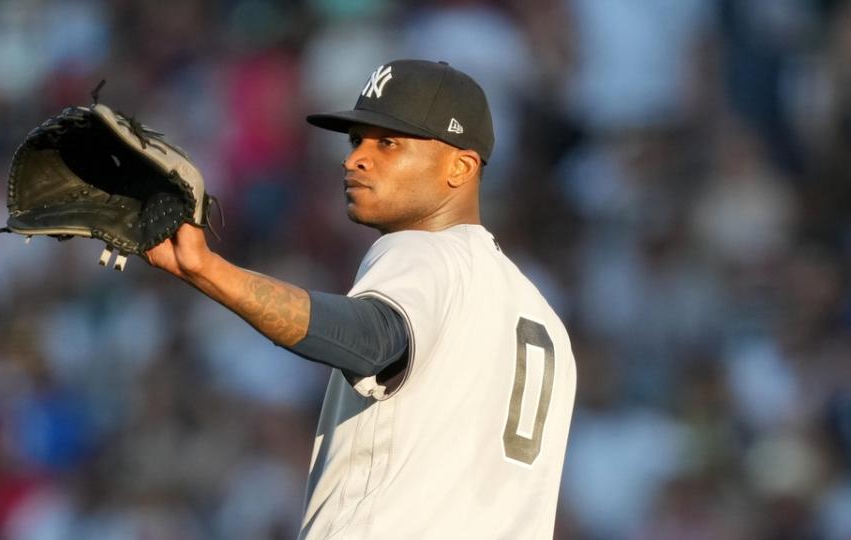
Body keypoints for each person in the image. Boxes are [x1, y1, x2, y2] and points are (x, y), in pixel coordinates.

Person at [146, 59, 577, 539]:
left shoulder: (425, 251)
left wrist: (206, 269)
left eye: (388, 143)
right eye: (357, 141)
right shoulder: (542, 314)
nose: (355, 159)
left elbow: (373, 339)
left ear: (461, 166)